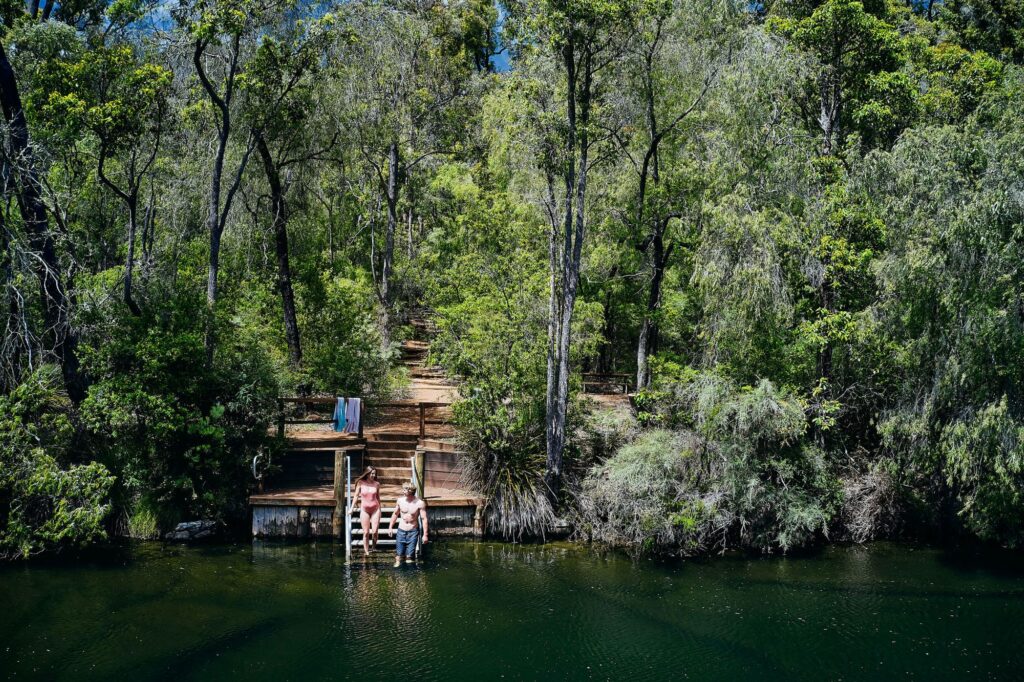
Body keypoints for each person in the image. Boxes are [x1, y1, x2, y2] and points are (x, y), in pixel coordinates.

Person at [388, 481, 428, 567]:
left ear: (410, 490)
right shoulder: (400, 501)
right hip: (401, 530)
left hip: (413, 531)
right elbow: (395, 514)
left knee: (409, 557)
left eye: (405, 489)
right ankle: (399, 572)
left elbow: (424, 519)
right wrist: (390, 527)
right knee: (399, 555)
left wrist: (425, 535)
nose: (403, 491)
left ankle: (409, 575)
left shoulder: (419, 503)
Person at [350, 466, 381, 556]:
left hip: (375, 509)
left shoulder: (377, 484)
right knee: (366, 532)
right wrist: (352, 508)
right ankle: (366, 551)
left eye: (374, 474)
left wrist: (380, 509)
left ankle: (373, 548)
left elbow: (378, 497)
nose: (373, 475)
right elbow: (356, 496)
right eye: (371, 473)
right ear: (367, 473)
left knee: (375, 531)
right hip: (365, 510)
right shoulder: (361, 483)